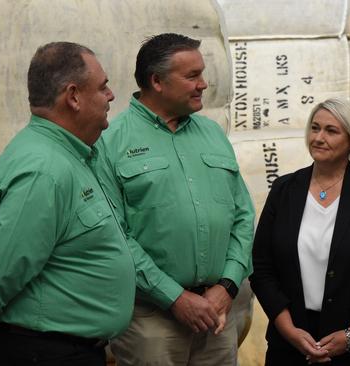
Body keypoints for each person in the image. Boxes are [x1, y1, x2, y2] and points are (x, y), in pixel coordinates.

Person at [0, 42, 135, 366]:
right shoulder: (44, 171)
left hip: (62, 350)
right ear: (73, 96)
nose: (112, 95)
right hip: (42, 353)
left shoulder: (71, 155)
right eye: (103, 87)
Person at [95, 33, 255, 366]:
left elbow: (243, 215)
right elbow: (114, 236)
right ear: (157, 81)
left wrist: (226, 286)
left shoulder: (212, 134)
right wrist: (175, 298)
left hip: (216, 316)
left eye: (203, 73)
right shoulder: (110, 142)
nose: (204, 84)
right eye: (192, 75)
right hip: (150, 323)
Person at [250, 97, 350, 365]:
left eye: (331, 131)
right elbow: (262, 266)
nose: (319, 137)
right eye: (315, 128)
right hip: (291, 342)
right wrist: (288, 331)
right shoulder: (284, 190)